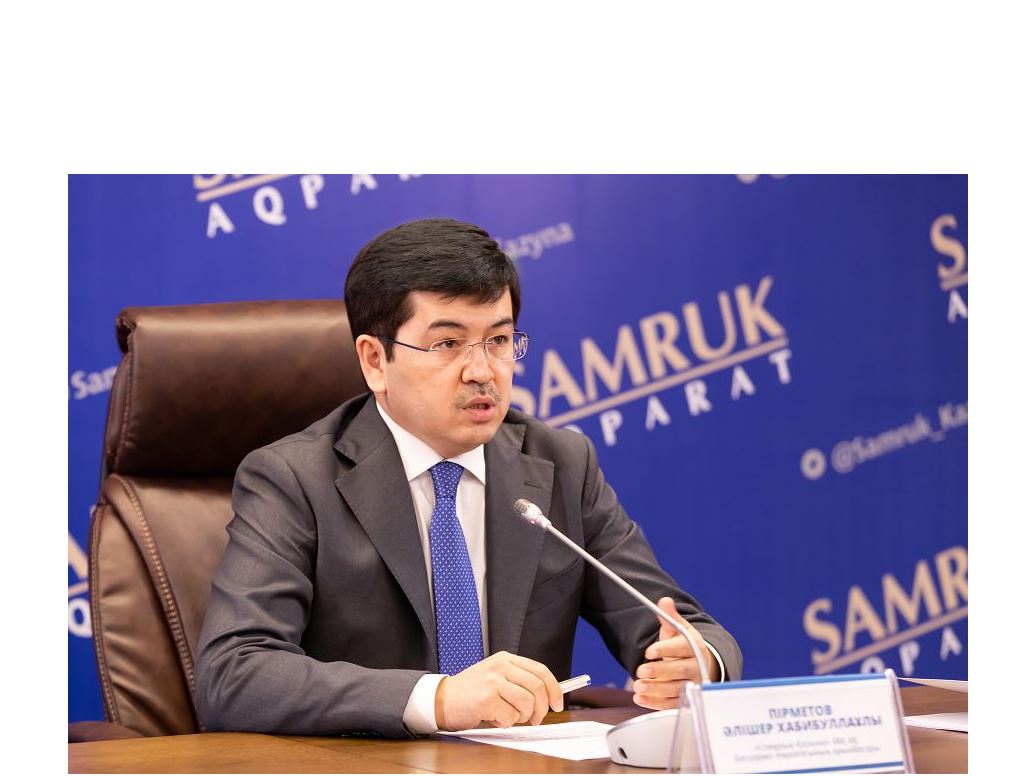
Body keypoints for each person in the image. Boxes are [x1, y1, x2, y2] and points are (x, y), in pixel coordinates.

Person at [196, 218, 742, 739]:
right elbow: (234, 674)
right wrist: (438, 699)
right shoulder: (294, 478)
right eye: (447, 344)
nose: (482, 371)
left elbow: (684, 627)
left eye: (499, 341)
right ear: (375, 361)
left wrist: (697, 661)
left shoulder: (561, 465)